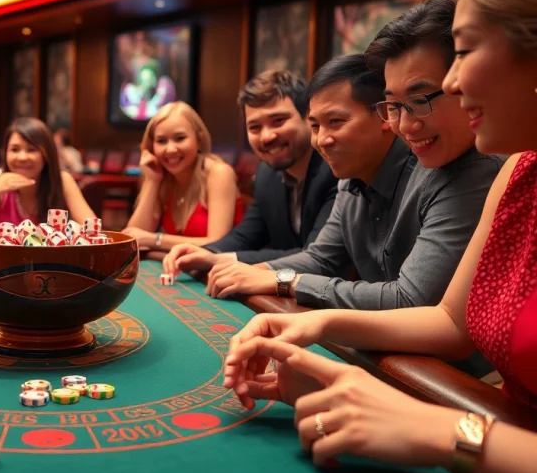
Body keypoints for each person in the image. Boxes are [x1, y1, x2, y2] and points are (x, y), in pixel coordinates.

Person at [224, 0, 537, 473]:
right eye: (396, 104)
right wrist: (317, 323)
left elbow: (418, 307)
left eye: (465, 51)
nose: (454, 82)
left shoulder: (478, 170)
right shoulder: (517, 171)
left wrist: (443, 432)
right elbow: (450, 322)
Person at [205, 44, 501, 311]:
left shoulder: (449, 169)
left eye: (335, 121)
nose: (322, 140)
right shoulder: (350, 176)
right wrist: (246, 270)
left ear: (383, 115)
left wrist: (287, 282)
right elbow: (320, 259)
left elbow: (410, 299)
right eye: (315, 126)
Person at [162, 70, 338, 275]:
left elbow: (315, 256)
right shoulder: (266, 173)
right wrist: (203, 252)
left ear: (308, 117)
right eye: (255, 127)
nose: (267, 136)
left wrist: (220, 260)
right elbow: (246, 236)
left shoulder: (335, 171)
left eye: (278, 120)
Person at [123, 101, 243, 250]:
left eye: (180, 138)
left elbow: (218, 243)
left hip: (226, 263)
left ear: (198, 140)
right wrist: (153, 181)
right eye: (161, 141)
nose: (170, 149)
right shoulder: (163, 179)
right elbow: (133, 239)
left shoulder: (219, 173)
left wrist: (155, 240)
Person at [0, 117, 96, 231]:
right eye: (15, 149)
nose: (22, 157)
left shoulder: (62, 180)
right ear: (5, 153)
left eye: (31, 150)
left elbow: (91, 228)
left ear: (46, 154)